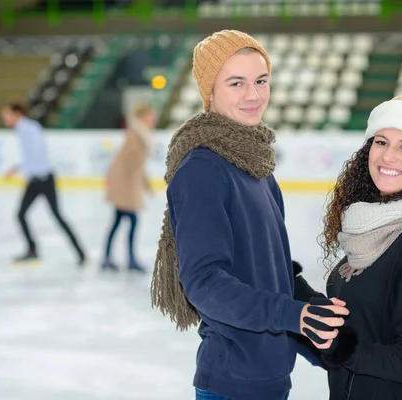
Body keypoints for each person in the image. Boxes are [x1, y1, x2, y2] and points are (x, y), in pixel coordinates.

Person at [150, 30, 349, 400]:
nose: (253, 95)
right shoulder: (202, 169)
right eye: (236, 83)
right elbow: (205, 282)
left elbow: (268, 266)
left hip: (270, 378)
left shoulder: (255, 164)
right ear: (209, 91)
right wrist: (292, 315)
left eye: (261, 81)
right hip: (231, 383)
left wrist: (310, 308)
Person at [294, 95, 402, 399]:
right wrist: (294, 288)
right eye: (381, 142)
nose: (387, 156)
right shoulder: (370, 230)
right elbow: (359, 325)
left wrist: (341, 347)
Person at [1, 102, 86, 266]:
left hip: (44, 180)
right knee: (21, 215)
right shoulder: (24, 129)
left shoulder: (29, 129)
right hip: (36, 180)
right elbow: (30, 156)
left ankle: (80, 253)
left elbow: (36, 155)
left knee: (57, 217)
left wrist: (23, 171)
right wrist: (20, 170)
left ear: (17, 114)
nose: (5, 118)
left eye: (7, 115)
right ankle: (33, 250)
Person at [102, 103, 157, 272]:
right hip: (125, 185)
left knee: (119, 221)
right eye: (150, 116)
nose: (153, 120)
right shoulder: (136, 135)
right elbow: (126, 162)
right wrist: (132, 185)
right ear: (142, 117)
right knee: (131, 221)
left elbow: (138, 165)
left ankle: (108, 258)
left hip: (127, 184)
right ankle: (129, 259)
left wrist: (145, 184)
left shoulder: (141, 134)